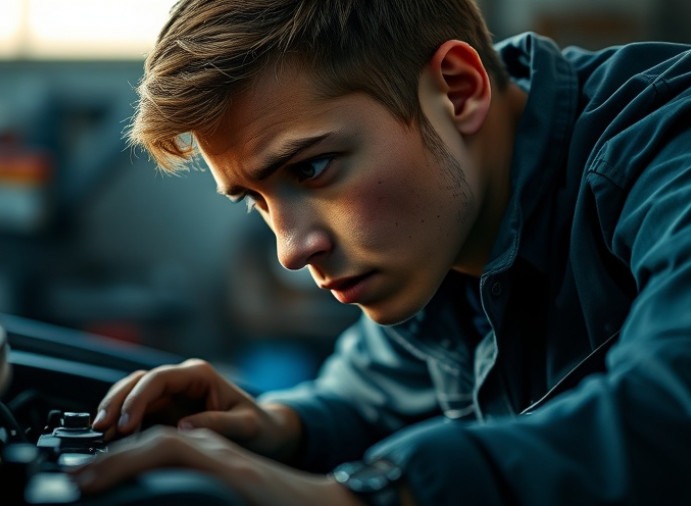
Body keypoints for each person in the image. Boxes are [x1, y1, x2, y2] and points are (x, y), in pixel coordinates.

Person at [67, 1, 691, 504]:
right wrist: (278, 429)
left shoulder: (666, 144)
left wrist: (373, 495)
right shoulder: (443, 222)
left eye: (313, 168)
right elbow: (375, 396)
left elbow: (673, 403)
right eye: (253, 199)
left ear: (457, 89)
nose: (290, 250)